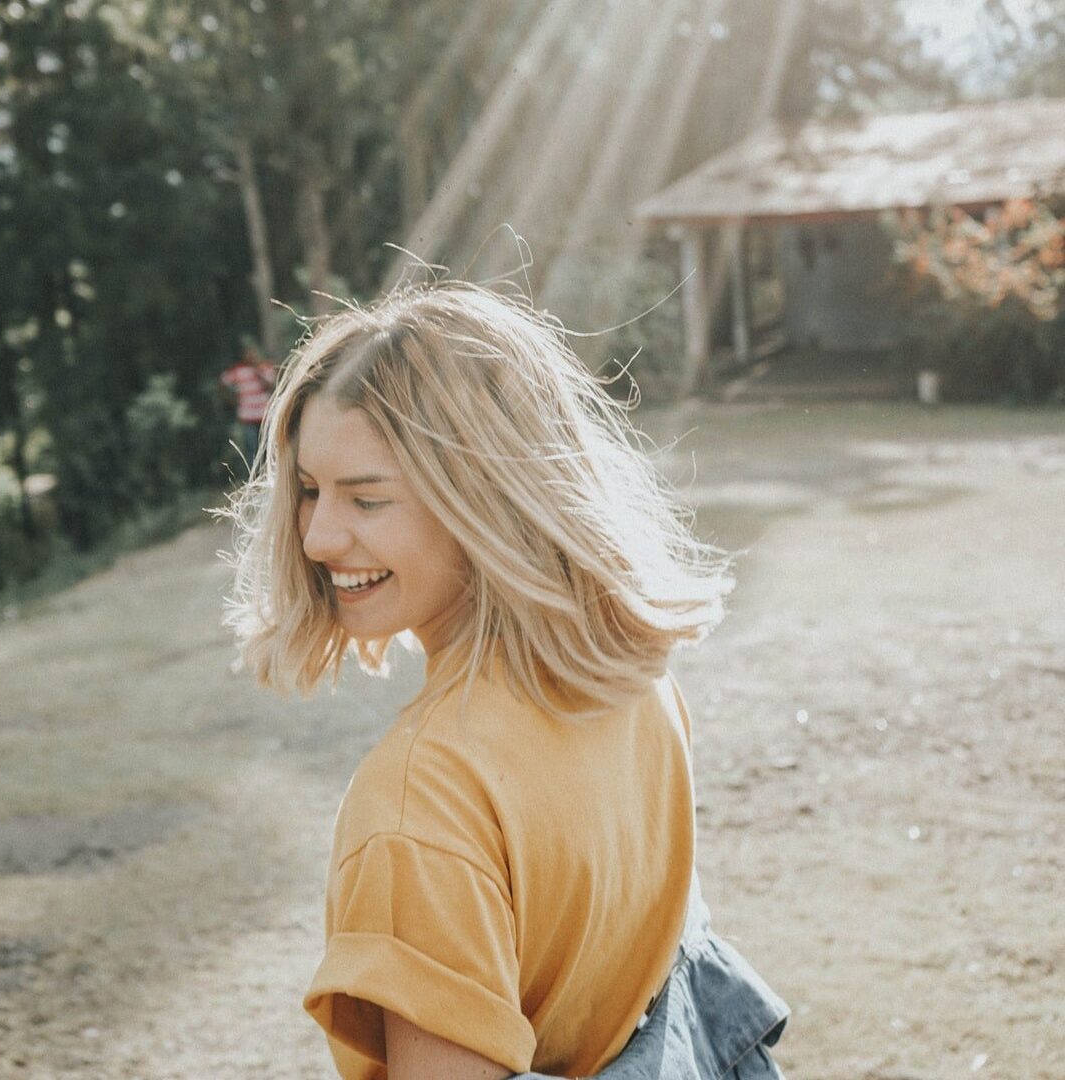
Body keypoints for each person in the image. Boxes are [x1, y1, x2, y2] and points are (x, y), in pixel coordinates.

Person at [220, 282, 790, 1080]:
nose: (316, 536)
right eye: (310, 490)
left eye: (367, 498)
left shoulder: (421, 798)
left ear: (483, 496)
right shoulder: (627, 676)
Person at [219, 345, 277, 470]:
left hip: (264, 416)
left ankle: (268, 474)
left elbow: (271, 384)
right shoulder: (238, 370)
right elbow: (223, 382)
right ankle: (253, 477)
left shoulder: (265, 367)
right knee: (251, 449)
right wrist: (232, 400)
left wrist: (257, 371)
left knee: (268, 447)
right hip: (247, 417)